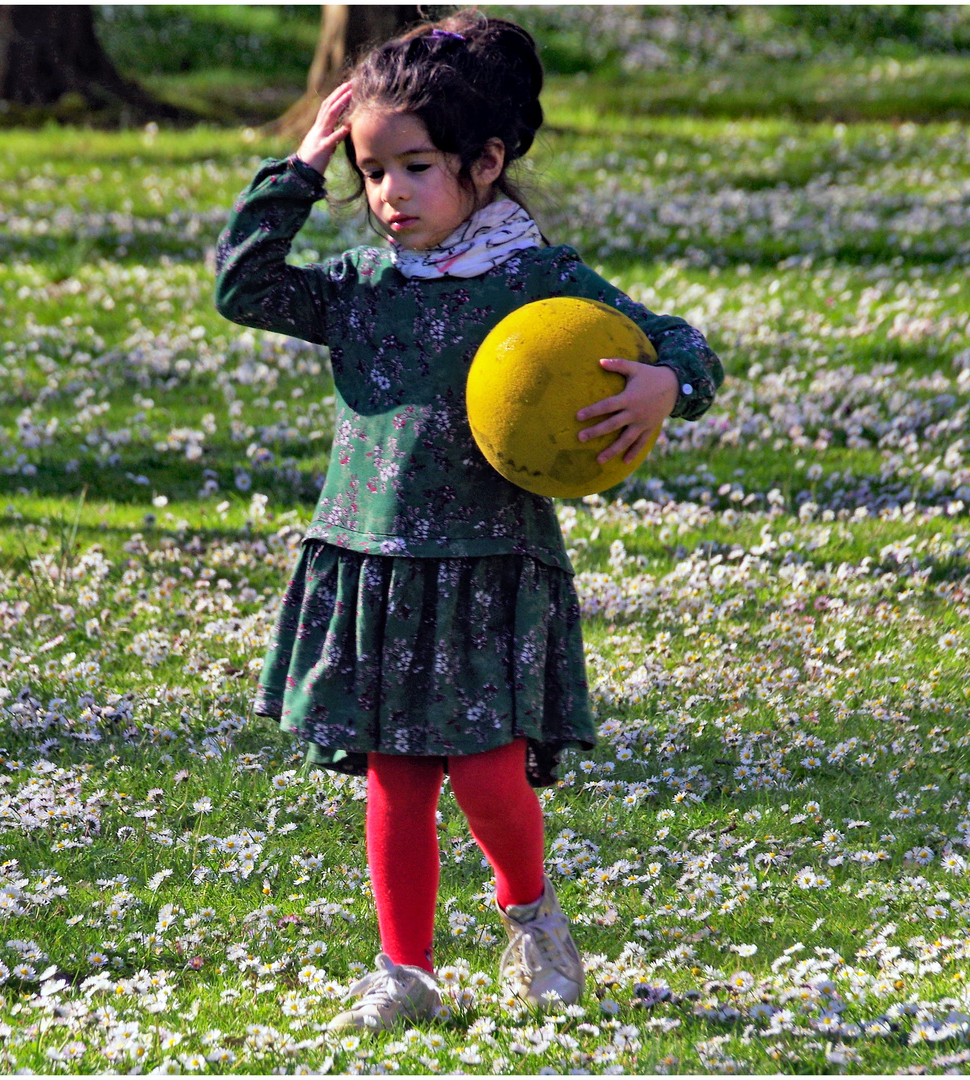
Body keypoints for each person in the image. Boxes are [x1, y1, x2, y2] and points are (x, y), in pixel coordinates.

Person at [213, 10, 724, 1032]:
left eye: (414, 167)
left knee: (488, 775)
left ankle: (531, 916)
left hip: (488, 563)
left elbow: (678, 340)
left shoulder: (538, 281)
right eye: (371, 171)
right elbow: (242, 286)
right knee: (395, 784)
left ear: (483, 163)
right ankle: (403, 971)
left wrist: (668, 381)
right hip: (375, 561)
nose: (388, 194)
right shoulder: (359, 289)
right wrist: (301, 166)